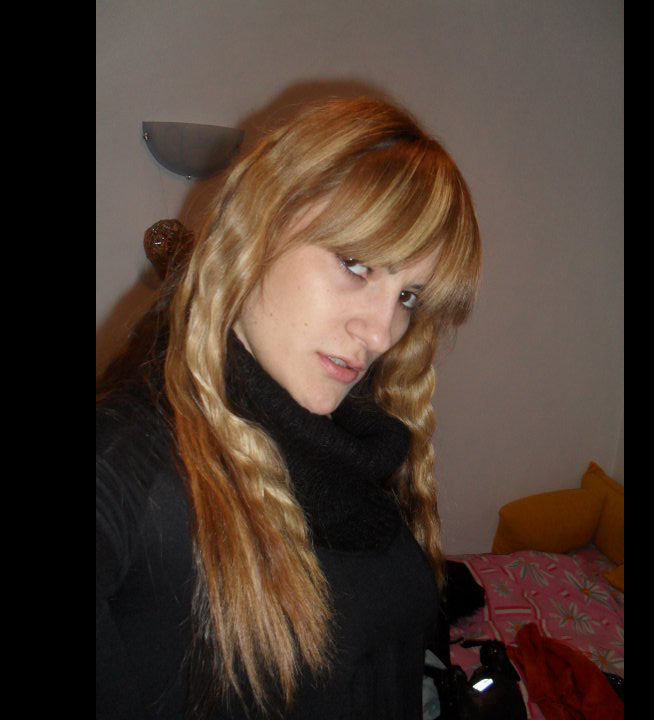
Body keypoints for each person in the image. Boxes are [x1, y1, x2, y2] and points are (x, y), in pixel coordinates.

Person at [96, 96, 482, 720]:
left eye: (408, 296)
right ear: (258, 227)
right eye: (355, 265)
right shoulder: (133, 459)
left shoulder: (358, 437)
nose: (381, 332)